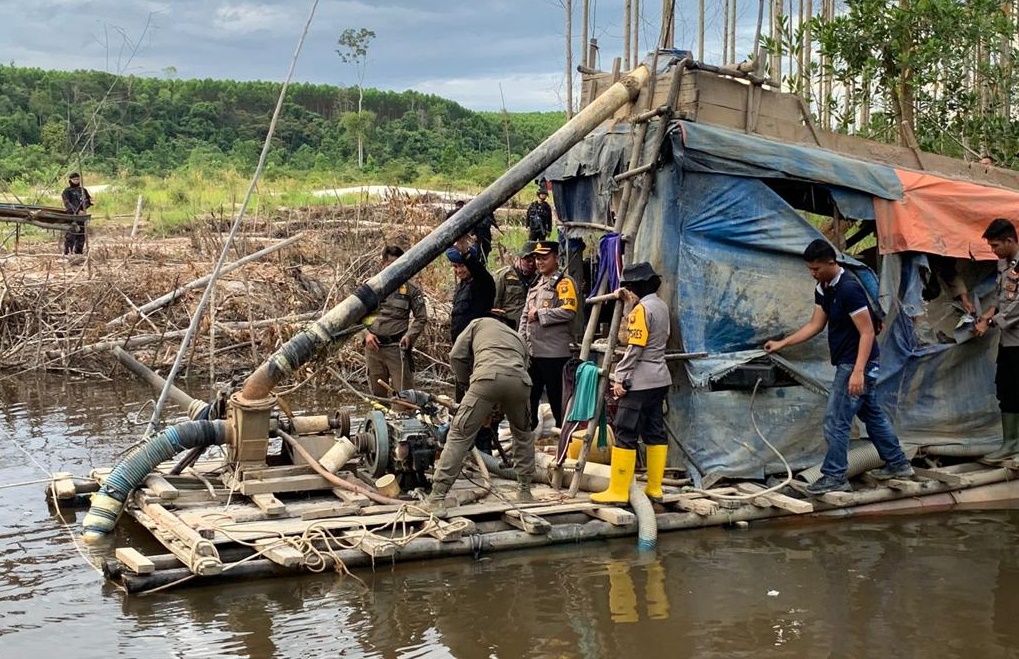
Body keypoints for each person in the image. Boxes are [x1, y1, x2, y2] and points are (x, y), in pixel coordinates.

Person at [764, 239, 914, 495]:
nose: (813, 273)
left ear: (831, 263)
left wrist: (858, 371)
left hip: (857, 364)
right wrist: (783, 343)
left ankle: (835, 475)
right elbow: (816, 324)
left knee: (836, 420)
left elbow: (867, 333)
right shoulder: (824, 288)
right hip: (850, 363)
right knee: (872, 415)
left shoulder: (849, 289)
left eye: (817, 269)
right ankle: (899, 464)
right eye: (810, 269)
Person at [423, 315, 536, 511]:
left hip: (485, 379)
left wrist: (466, 383)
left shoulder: (477, 323)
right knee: (523, 434)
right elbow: (519, 369)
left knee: (459, 434)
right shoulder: (518, 338)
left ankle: (437, 497)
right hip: (521, 383)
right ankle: (524, 491)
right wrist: (498, 406)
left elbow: (456, 356)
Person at [591, 262, 672, 504]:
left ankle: (617, 490)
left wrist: (621, 378)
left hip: (640, 381)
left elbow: (635, 347)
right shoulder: (661, 306)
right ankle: (655, 488)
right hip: (660, 378)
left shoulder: (641, 310)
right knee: (654, 431)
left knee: (625, 432)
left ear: (636, 286)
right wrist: (629, 307)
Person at [518, 240, 578, 431]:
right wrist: (520, 343)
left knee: (558, 401)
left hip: (555, 354)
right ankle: (528, 439)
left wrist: (541, 314)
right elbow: (525, 317)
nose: (539, 262)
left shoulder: (564, 283)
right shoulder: (536, 284)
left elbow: (569, 311)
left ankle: (564, 442)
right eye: (537, 258)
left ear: (556, 258)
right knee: (528, 398)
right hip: (533, 353)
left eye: (544, 258)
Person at [974, 218, 1019, 463]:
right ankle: (1010, 443)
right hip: (1008, 342)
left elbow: (1016, 308)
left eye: (995, 246)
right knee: (1007, 390)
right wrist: (987, 313)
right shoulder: (1004, 264)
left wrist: (990, 322)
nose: (993, 251)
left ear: (1009, 240)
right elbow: (1001, 296)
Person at [364, 245, 428, 398]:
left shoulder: (411, 289)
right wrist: (366, 335)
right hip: (374, 349)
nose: (394, 269)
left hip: (397, 350)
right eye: (390, 265)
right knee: (378, 398)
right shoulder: (370, 287)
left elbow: (421, 317)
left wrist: (410, 336)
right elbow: (355, 317)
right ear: (383, 265)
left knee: (404, 398)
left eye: (398, 265)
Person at [447, 236, 496, 401]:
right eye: (455, 267)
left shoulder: (483, 284)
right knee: (462, 398)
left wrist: (466, 253)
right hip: (462, 354)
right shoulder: (463, 286)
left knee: (478, 397)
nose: (458, 270)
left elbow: (480, 272)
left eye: (461, 266)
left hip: (478, 352)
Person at [492, 242, 537, 330]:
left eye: (534, 260)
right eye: (528, 260)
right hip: (508, 326)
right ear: (519, 259)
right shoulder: (503, 275)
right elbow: (495, 302)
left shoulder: (540, 278)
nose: (531, 264)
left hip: (531, 327)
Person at [61, 172, 92, 255]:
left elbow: (88, 201)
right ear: (70, 180)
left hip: (82, 216)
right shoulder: (67, 191)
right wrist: (77, 211)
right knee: (71, 235)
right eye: (74, 179)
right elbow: (67, 203)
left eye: (78, 179)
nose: (76, 181)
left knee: (81, 235)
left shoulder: (83, 190)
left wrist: (86, 205)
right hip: (72, 216)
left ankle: (79, 252)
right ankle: (68, 252)